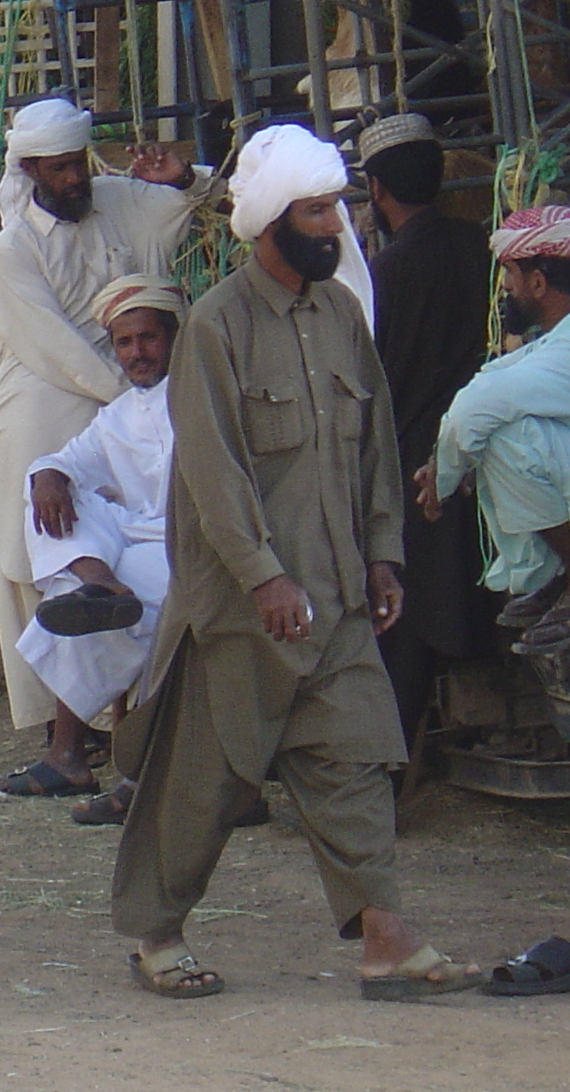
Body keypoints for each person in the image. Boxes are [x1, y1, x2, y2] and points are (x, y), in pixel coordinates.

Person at [112, 123, 481, 1003]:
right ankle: (156, 931)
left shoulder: (344, 316)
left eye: (338, 208)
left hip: (339, 595)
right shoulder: (215, 326)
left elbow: (374, 455)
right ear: (273, 220)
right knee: (207, 781)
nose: (335, 225)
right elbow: (212, 468)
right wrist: (265, 578)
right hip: (243, 606)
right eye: (316, 211)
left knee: (355, 761)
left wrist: (383, 556)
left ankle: (386, 939)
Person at [0, 98, 213, 738]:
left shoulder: (114, 198)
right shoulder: (14, 245)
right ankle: (61, 723)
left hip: (132, 372)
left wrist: (182, 177)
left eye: (77, 163)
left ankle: (119, 718)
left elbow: (202, 202)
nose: (74, 178)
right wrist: (123, 394)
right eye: (57, 169)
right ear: (30, 171)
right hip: (42, 382)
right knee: (40, 525)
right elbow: (49, 341)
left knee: (131, 525)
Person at [0, 276, 184, 807]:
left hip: (186, 546)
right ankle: (96, 584)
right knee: (45, 482)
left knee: (79, 608)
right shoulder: (117, 414)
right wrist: (49, 473)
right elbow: (69, 461)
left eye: (147, 339)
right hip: (125, 550)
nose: (136, 353)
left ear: (173, 337)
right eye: (124, 343)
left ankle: (69, 758)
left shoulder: (202, 397)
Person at [362, 112, 502, 743]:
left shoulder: (387, 271)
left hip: (413, 456)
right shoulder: (479, 247)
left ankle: (392, 759)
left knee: (409, 613)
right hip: (485, 448)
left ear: (376, 190)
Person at [429, 204, 570, 655]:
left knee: (504, 438)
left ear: (536, 281)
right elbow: (489, 385)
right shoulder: (554, 340)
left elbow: (476, 409)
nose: (505, 288)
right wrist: (447, 459)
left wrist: (441, 482)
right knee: (492, 432)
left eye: (509, 276)